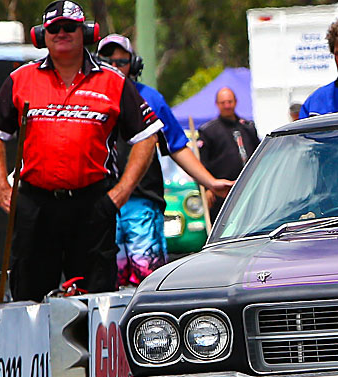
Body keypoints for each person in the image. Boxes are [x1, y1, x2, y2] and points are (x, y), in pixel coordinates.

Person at [0, 1, 161, 302]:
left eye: (70, 27)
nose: (62, 33)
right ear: (41, 35)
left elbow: (147, 137)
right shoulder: (20, 79)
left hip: (93, 205)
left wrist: (120, 194)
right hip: (35, 206)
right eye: (54, 28)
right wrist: (1, 187)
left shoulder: (113, 80)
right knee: (28, 296)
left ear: (86, 32)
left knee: (94, 299)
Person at [96, 34, 233, 285]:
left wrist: (211, 183)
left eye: (121, 61)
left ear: (133, 64)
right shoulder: (88, 99)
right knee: (105, 279)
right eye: (107, 62)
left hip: (142, 202)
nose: (114, 67)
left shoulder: (150, 98)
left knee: (145, 278)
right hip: (99, 202)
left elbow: (177, 146)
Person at [197, 87, 259, 221]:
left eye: (230, 102)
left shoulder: (247, 127)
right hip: (222, 193)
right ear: (217, 104)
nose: (227, 106)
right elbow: (201, 164)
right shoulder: (209, 131)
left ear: (235, 102)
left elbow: (258, 156)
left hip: (249, 189)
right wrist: (207, 188)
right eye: (223, 103)